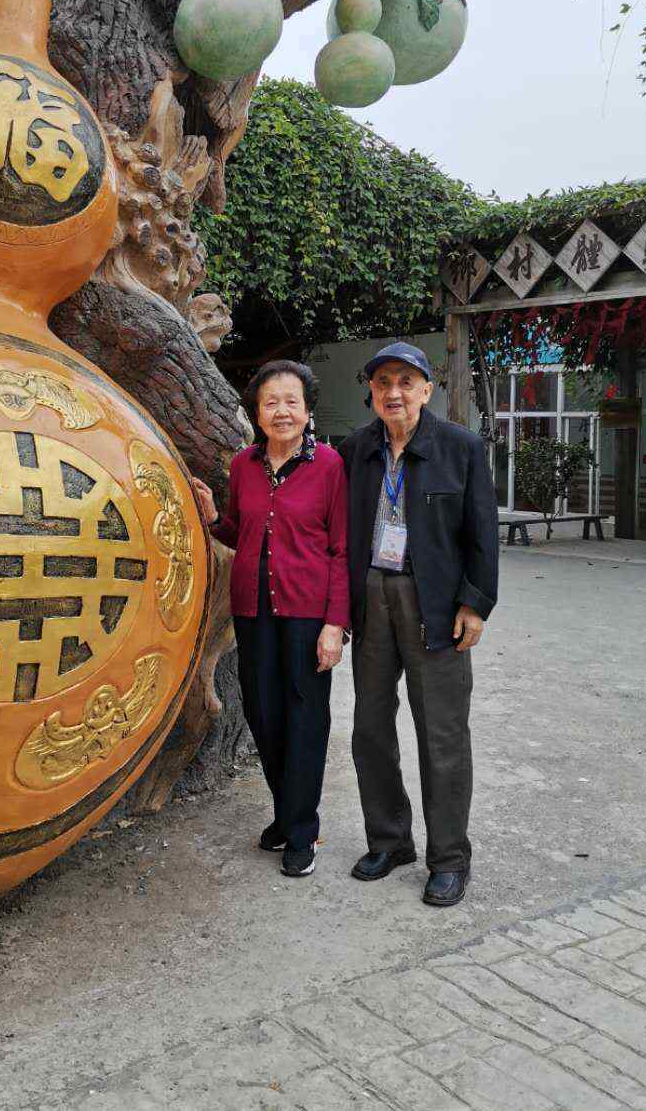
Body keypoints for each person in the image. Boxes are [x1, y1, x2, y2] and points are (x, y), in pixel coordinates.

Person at [338, 342, 497, 907]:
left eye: (406, 382)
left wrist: (475, 604)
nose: (394, 392)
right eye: (383, 382)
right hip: (372, 597)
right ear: (372, 391)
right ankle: (389, 840)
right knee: (370, 729)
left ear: (427, 390)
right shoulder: (356, 450)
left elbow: (483, 533)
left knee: (443, 734)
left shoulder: (461, 447)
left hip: (436, 604)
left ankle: (449, 858)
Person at [192, 361, 349, 879]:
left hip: (307, 615)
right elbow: (242, 532)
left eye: (291, 401)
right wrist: (214, 518)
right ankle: (286, 814)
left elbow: (342, 549)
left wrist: (335, 624)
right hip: (253, 611)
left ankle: (302, 831)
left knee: (305, 720)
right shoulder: (243, 466)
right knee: (263, 715)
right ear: (257, 413)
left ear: (307, 410)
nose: (282, 411)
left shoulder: (329, 465)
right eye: (270, 402)